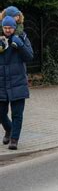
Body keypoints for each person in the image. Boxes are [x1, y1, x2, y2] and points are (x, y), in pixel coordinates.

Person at [0, 16, 34, 150]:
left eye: (10, 27)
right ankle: (9, 129)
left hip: (18, 83)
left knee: (17, 114)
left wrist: (19, 45)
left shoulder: (22, 38)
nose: (8, 30)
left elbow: (29, 56)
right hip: (1, 83)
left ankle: (14, 139)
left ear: (14, 27)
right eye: (5, 27)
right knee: (1, 113)